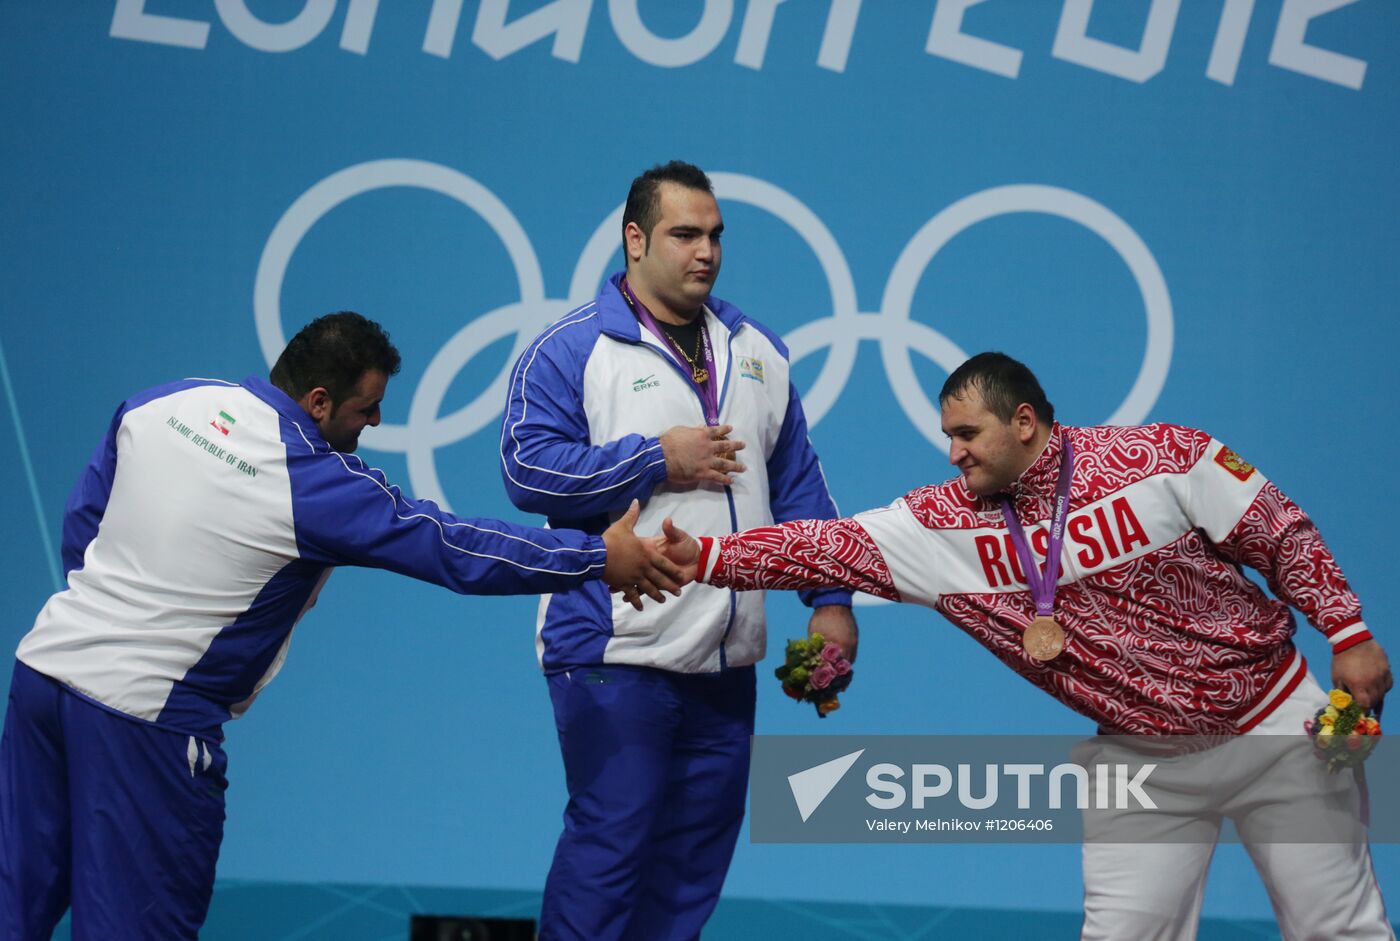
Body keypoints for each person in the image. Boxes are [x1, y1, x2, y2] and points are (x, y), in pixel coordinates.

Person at [657, 351, 1394, 941]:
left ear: (1024, 420)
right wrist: (706, 557)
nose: (953, 453)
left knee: (1339, 927)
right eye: (947, 436)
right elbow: (827, 546)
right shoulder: (941, 525)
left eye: (967, 433)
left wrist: (1349, 629)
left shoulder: (1164, 458)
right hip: (1143, 765)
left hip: (1272, 722)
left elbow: (1278, 529)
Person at [0, 311, 683, 940]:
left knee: (15, 899)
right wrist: (596, 555)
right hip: (145, 717)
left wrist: (107, 620)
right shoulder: (313, 481)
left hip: (45, 673)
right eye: (367, 407)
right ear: (318, 403)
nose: (377, 422)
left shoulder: (165, 402)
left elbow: (85, 525)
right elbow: (453, 546)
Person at [499, 160, 856, 940]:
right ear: (635, 239)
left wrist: (831, 601)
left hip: (727, 665)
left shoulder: (757, 348)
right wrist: (655, 457)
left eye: (716, 235)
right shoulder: (572, 349)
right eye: (685, 234)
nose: (706, 252)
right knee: (609, 857)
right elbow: (525, 467)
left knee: (689, 880)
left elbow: (799, 487)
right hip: (615, 651)